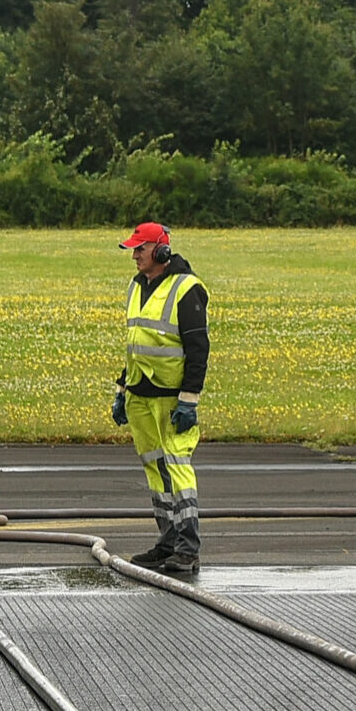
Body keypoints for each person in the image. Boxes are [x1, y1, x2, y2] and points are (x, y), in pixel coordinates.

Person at [112, 222, 209, 575]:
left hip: (171, 399)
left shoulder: (187, 289)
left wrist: (190, 399)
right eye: (133, 249)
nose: (134, 255)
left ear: (161, 251)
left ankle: (188, 549)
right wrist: (122, 390)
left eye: (140, 248)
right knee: (155, 468)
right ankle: (167, 541)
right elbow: (135, 345)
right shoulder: (136, 287)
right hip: (141, 395)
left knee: (177, 467)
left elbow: (199, 349)